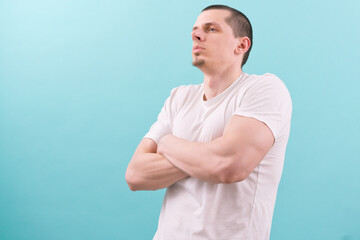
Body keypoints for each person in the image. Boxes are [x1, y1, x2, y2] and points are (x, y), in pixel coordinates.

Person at [125, 4, 292, 240]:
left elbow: (229, 165)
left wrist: (168, 143)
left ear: (241, 45)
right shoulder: (179, 97)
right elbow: (135, 174)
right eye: (195, 30)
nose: (196, 34)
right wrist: (210, 155)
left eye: (211, 29)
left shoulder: (264, 89)